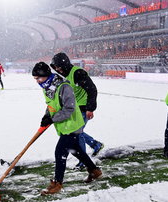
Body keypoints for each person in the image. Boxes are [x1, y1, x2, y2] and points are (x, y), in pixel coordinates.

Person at [32, 62, 102, 195]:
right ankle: (94, 171)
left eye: (38, 78)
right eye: (35, 79)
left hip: (72, 124)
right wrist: (46, 116)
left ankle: (57, 184)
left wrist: (52, 119)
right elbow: (51, 104)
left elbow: (69, 109)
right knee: (76, 150)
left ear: (46, 75)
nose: (37, 81)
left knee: (60, 153)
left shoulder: (63, 86)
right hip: (64, 125)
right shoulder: (47, 87)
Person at [50, 52, 103, 170]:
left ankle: (83, 161)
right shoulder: (62, 74)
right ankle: (95, 145)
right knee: (76, 132)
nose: (57, 69)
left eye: (59, 66)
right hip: (73, 108)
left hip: (83, 107)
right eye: (56, 67)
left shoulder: (78, 73)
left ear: (64, 65)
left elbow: (92, 90)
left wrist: (90, 108)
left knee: (76, 134)